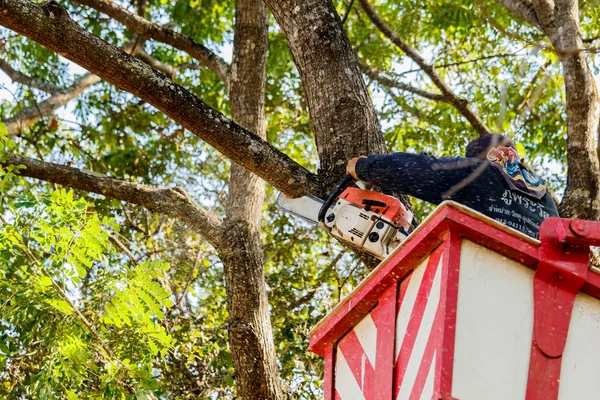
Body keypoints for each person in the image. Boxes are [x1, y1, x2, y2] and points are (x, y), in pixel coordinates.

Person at [346, 134, 559, 239]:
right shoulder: (546, 200)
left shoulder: (478, 174)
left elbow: (421, 171)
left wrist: (366, 167)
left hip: (486, 267)